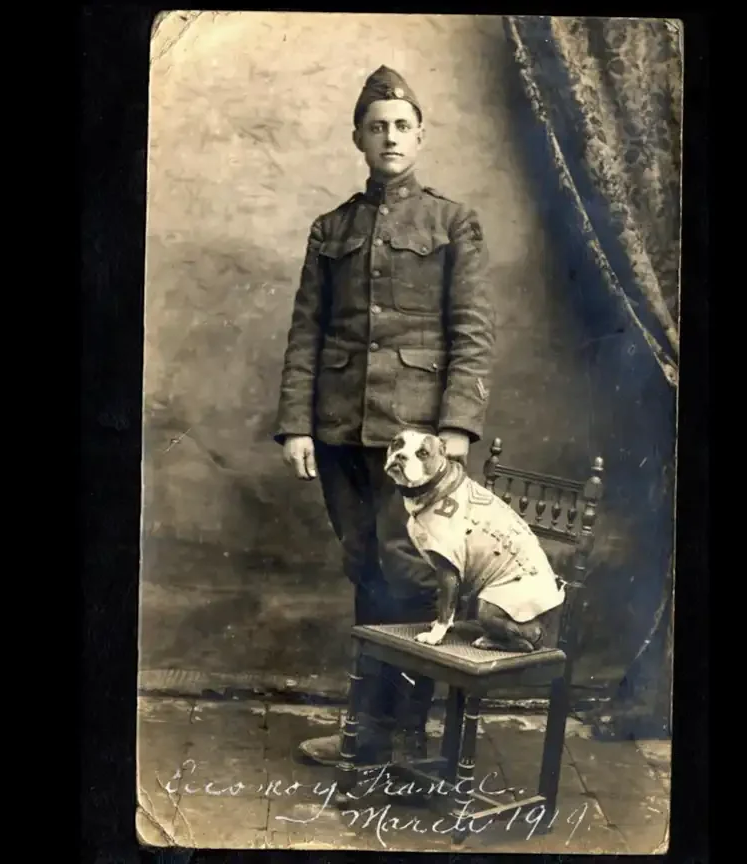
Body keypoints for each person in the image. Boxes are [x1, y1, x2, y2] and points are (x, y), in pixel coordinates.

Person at [273, 65, 496, 767]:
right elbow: (307, 331)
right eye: (377, 126)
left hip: (422, 443)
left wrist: (456, 427)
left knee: (415, 574)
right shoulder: (330, 228)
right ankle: (367, 735)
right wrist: (297, 425)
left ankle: (404, 731)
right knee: (365, 567)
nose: (390, 136)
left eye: (402, 125)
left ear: (420, 137)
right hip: (341, 432)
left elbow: (472, 330)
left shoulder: (453, 221)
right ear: (358, 139)